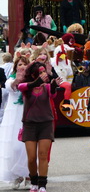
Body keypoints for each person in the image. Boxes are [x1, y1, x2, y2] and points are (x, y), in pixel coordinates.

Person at [18, 62, 61, 192]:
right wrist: (36, 82)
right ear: (33, 74)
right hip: (29, 124)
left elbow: (52, 94)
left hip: (46, 124)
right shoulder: (26, 87)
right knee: (31, 158)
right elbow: (21, 86)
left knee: (43, 155)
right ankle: (34, 181)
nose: (44, 74)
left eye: (44, 71)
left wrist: (53, 86)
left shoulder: (46, 87)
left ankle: (42, 184)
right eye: (41, 72)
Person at [0, 55, 30, 189]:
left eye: (25, 64)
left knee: (28, 146)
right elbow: (10, 87)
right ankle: (16, 175)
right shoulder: (10, 79)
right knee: (15, 147)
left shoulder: (32, 80)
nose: (22, 67)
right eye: (20, 65)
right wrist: (17, 80)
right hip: (13, 117)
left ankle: (29, 175)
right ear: (15, 67)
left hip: (28, 114)